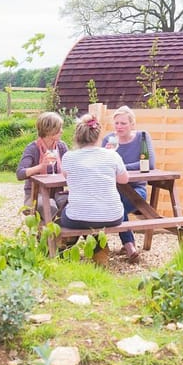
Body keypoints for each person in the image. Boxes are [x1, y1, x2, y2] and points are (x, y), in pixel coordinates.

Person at [60, 114, 129, 266]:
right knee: (94, 218)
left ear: (77, 136)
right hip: (113, 216)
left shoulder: (69, 157)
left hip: (77, 217)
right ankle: (99, 252)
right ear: (99, 137)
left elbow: (65, 176)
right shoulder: (112, 155)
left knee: (64, 211)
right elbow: (124, 180)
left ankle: (64, 250)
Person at [101, 106, 155, 259]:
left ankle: (127, 245)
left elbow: (149, 164)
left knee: (118, 206)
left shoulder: (142, 137)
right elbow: (99, 164)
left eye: (123, 123)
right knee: (115, 203)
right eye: (116, 123)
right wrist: (105, 154)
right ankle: (129, 246)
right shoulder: (109, 140)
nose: (119, 127)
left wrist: (120, 166)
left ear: (132, 124)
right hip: (114, 189)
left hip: (136, 189)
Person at [16, 112, 70, 215]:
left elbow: (71, 168)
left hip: (57, 192)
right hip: (35, 195)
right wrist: (41, 167)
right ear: (49, 130)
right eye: (59, 128)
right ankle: (49, 230)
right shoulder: (32, 148)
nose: (62, 131)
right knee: (49, 207)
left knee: (70, 204)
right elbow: (20, 173)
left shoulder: (61, 146)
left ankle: (59, 230)